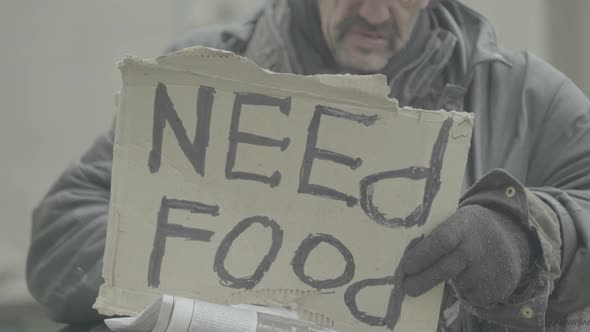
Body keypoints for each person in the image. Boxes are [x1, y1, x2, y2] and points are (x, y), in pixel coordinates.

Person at [26, 0, 590, 331]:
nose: (372, 12)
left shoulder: (527, 97)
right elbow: (62, 231)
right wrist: (209, 268)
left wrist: (527, 234)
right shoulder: (205, 77)